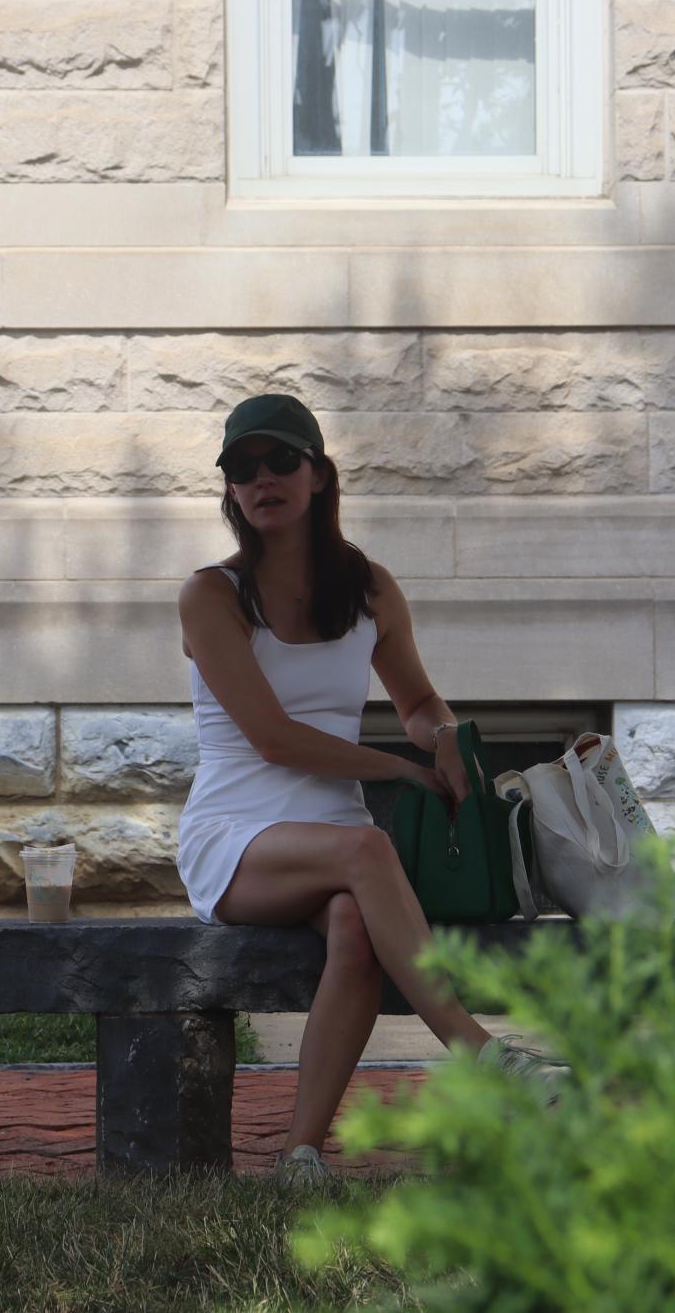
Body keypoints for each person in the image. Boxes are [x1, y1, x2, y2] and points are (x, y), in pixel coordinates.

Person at [174, 393, 565, 1191]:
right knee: (365, 849)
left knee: (354, 919)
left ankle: (298, 1155)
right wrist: (399, 768)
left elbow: (418, 706)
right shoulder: (212, 595)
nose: (261, 479)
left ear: (319, 475)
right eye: (242, 469)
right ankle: (482, 1056)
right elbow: (272, 738)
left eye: (280, 460)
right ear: (231, 493)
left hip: (341, 849)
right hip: (236, 837)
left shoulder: (371, 590)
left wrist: (447, 740)